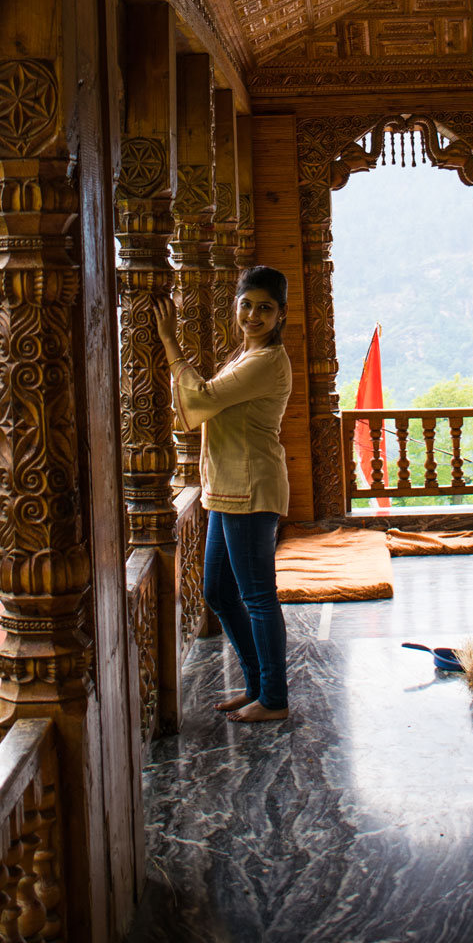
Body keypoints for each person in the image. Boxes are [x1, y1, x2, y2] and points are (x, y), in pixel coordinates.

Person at [152, 266, 292, 723]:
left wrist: (170, 341)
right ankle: (256, 686)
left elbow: (199, 401)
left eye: (264, 308)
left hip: (251, 491)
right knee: (218, 592)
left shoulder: (266, 362)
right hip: (224, 490)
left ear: (280, 315)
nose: (253, 314)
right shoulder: (244, 353)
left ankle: (273, 698)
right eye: (246, 304)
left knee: (257, 596)